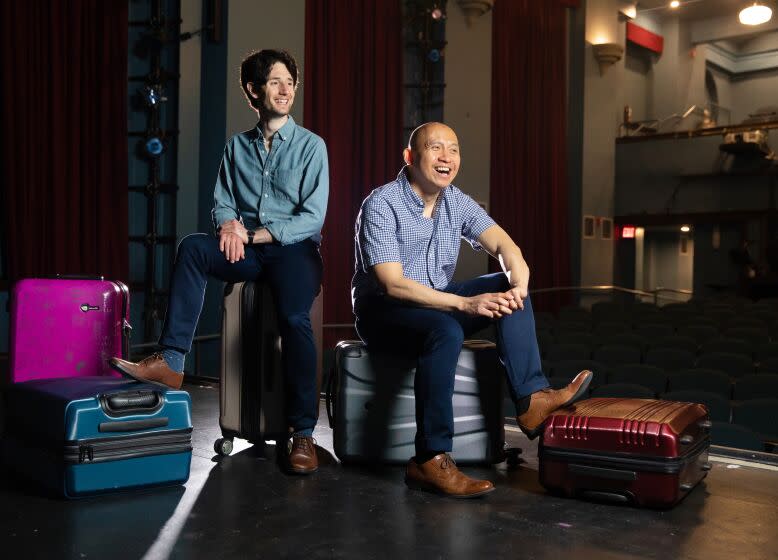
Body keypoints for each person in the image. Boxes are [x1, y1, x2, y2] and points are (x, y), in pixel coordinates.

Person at [110, 49, 329, 475]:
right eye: (274, 82)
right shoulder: (236, 147)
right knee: (193, 247)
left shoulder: (311, 147)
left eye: (290, 82)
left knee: (294, 318)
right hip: (247, 251)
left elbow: (312, 217)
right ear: (253, 90)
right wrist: (228, 226)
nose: (285, 90)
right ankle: (172, 362)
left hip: (294, 250)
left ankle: (302, 432)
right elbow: (223, 202)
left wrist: (250, 234)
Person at [352, 122, 591, 498]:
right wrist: (465, 303)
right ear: (410, 157)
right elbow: (392, 284)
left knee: (503, 283)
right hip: (384, 311)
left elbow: (506, 247)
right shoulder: (381, 203)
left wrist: (520, 288)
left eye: (454, 149)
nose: (447, 157)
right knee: (444, 331)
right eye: (436, 148)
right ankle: (430, 458)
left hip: (437, 300)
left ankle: (531, 400)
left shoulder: (457, 202)